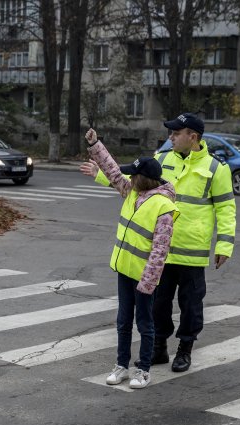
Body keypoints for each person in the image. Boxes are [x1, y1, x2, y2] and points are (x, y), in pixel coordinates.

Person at [80, 113, 236, 373]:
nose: (171, 137)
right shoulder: (162, 159)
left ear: (193, 137)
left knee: (191, 305)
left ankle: (185, 349)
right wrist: (100, 174)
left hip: (192, 253)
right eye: (171, 133)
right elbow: (133, 184)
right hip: (159, 252)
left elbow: (226, 208)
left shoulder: (215, 169)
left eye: (176, 134)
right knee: (159, 304)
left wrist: (224, 246)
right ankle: (159, 348)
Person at [84, 128, 179, 389]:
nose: (126, 177)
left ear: (142, 179)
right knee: (123, 321)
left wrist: (148, 283)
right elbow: (113, 170)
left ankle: (143, 370)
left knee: (145, 324)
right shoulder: (131, 192)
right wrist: (95, 143)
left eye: (132, 174)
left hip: (144, 278)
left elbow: (160, 251)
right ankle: (122, 366)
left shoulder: (163, 207)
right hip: (125, 270)